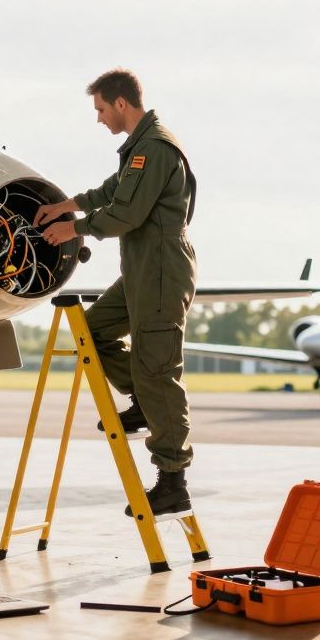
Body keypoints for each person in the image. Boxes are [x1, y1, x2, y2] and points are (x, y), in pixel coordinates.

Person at [37, 69, 197, 517]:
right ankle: (143, 401)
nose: (100, 118)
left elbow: (125, 213)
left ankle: (172, 481)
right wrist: (67, 204)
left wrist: (76, 228)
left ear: (121, 104)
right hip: (141, 271)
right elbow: (114, 191)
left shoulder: (155, 147)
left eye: (101, 109)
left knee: (159, 370)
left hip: (161, 271)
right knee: (92, 330)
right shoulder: (140, 149)